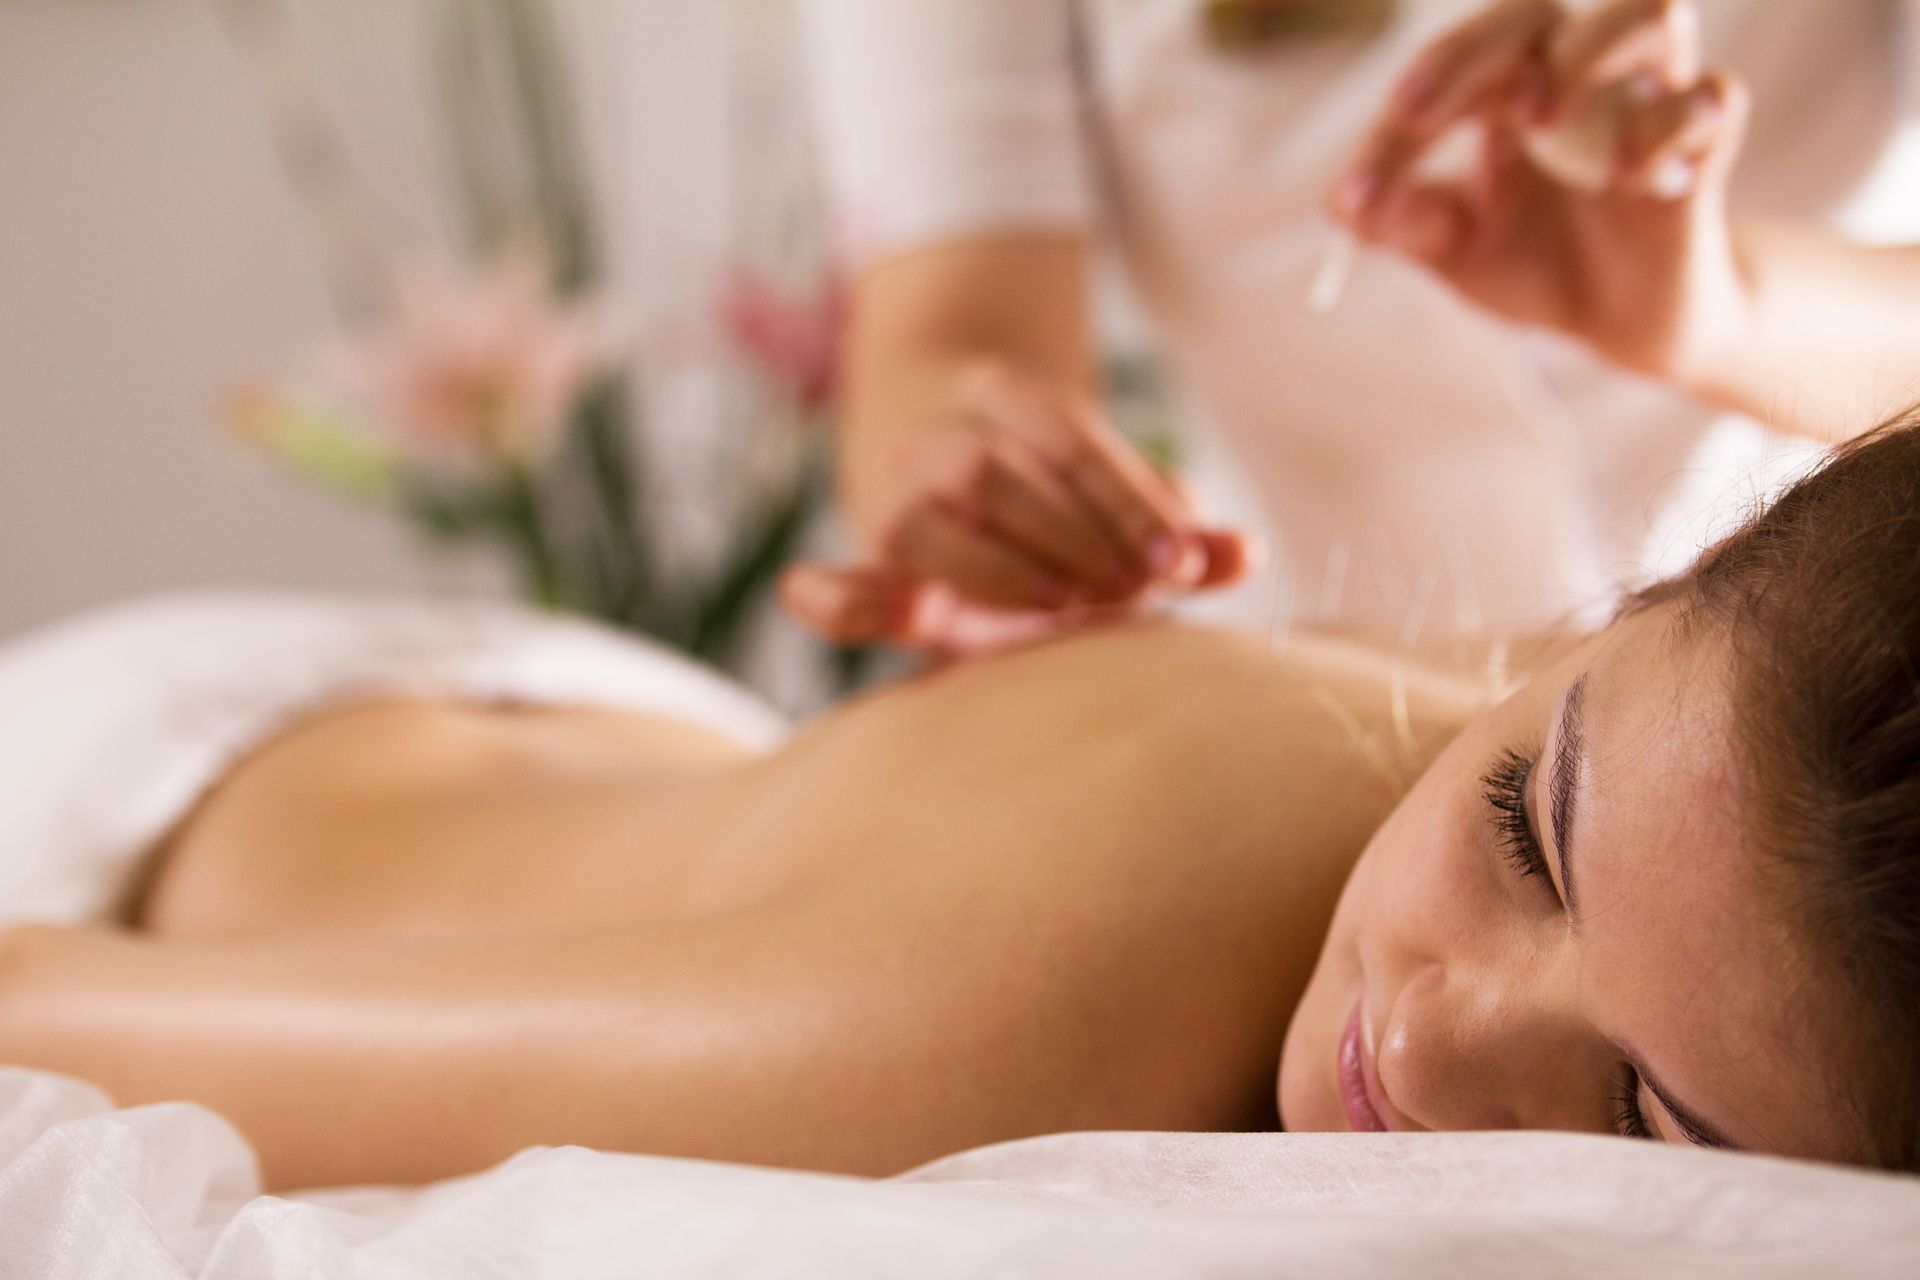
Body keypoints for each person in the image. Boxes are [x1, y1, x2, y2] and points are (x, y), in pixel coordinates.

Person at [2, 408, 1919, 1191]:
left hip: (663, 765)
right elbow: (34, 1008)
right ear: (1663, 581)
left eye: (1645, 1120)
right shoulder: (979, 1029)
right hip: (168, 783)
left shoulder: (1694, 744)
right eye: (1521, 829)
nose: (1423, 1034)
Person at [792, 0, 1920, 654]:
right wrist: (988, 484)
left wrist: (1713, 305)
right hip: (1321, 714)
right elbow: (945, 337)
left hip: (1834, 694)